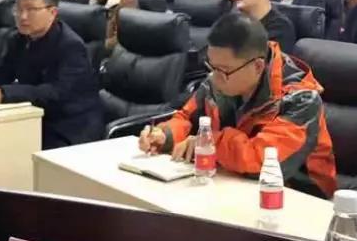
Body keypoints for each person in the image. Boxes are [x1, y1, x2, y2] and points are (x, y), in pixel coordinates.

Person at [138, 12, 336, 197]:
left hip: (297, 197)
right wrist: (164, 135)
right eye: (211, 66)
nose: (214, 78)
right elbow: (187, 118)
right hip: (231, 184)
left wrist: (209, 142)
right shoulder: (219, 79)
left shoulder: (301, 99)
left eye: (223, 70)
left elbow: (262, 163)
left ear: (257, 66)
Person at [0, 0, 102, 149]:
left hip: (68, 126)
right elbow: (0, 72)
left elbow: (56, 93)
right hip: (33, 116)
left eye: (31, 10)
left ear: (52, 12)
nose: (22, 16)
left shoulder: (70, 46)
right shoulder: (18, 38)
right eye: (18, 9)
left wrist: (3, 94)